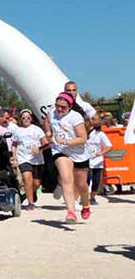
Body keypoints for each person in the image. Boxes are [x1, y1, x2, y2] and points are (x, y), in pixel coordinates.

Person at [44, 92, 90, 222]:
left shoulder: (75, 118)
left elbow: (83, 138)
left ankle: (86, 205)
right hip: (60, 151)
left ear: (70, 106)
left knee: (81, 185)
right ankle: (71, 212)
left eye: (63, 107)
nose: (59, 109)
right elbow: (47, 121)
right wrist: (48, 132)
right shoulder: (52, 112)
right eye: (58, 105)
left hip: (78, 153)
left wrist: (66, 142)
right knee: (66, 179)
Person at [12, 109, 48, 211]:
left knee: (36, 183)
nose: (26, 119)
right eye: (23, 118)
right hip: (23, 158)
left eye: (28, 117)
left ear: (31, 118)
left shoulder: (37, 130)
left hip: (37, 159)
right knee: (27, 179)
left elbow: (46, 144)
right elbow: (14, 145)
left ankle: (31, 193)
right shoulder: (18, 131)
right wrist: (14, 158)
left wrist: (39, 149)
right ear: (20, 119)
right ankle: (30, 203)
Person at [86, 114, 112, 205]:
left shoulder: (100, 134)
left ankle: (92, 198)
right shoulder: (83, 133)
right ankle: (84, 197)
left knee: (96, 180)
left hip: (97, 160)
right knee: (87, 179)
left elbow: (109, 146)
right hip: (86, 160)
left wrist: (101, 153)